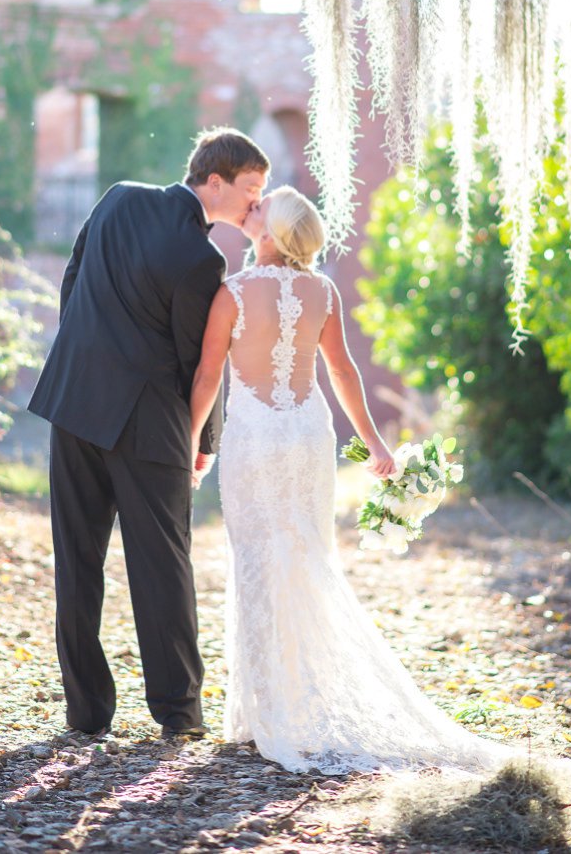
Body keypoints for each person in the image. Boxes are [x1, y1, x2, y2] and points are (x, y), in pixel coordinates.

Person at [190, 186, 507, 774]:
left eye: (261, 209)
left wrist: (190, 442)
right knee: (307, 558)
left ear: (269, 234)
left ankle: (264, 715)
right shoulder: (324, 291)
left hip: (256, 439)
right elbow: (341, 370)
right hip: (309, 437)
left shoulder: (231, 293)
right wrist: (375, 445)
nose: (251, 209)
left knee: (257, 561)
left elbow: (210, 373)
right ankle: (297, 705)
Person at [28, 128, 269, 740]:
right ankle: (178, 713)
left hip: (75, 401)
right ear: (214, 181)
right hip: (149, 424)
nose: (254, 204)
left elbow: (73, 284)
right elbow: (200, 363)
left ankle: (86, 715)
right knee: (162, 565)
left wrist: (86, 362)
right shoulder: (203, 261)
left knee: (75, 561)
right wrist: (204, 441)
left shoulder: (116, 198)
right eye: (250, 189)